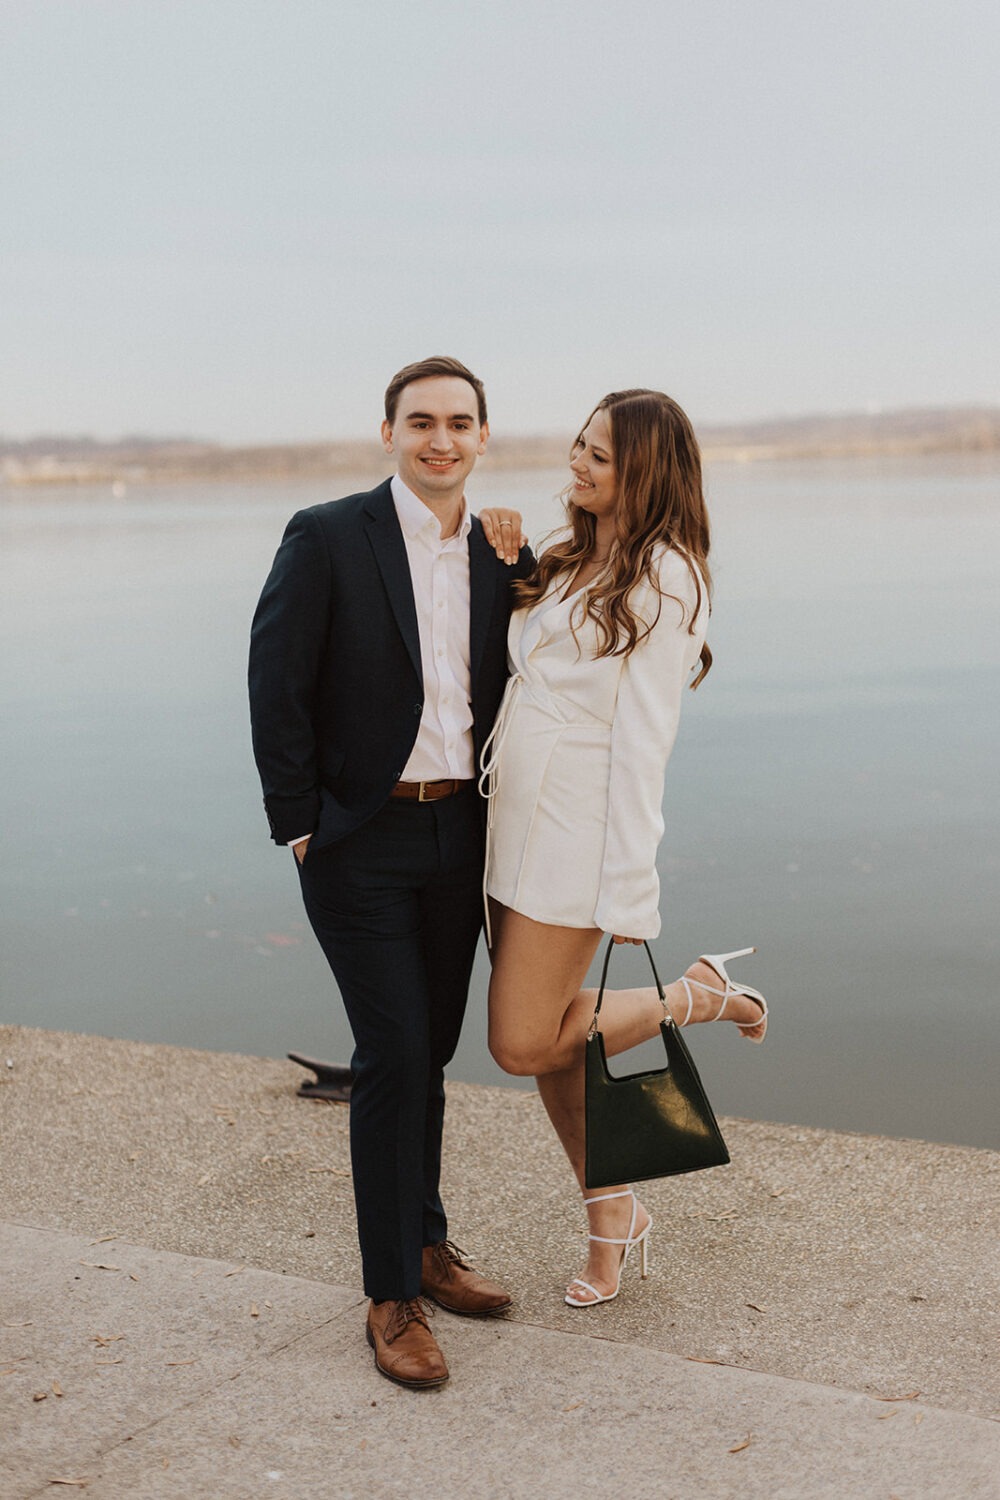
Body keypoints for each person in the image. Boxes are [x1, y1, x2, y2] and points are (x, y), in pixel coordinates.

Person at [249, 356, 532, 1388]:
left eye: (460, 423)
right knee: (394, 1047)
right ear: (388, 433)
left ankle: (424, 1242)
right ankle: (389, 1295)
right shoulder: (326, 536)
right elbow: (275, 681)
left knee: (432, 1048)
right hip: (359, 840)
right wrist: (300, 826)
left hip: (462, 837)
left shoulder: (506, 552)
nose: (441, 439)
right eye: (421, 421)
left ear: (484, 437)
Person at [480, 388, 769, 1308]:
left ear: (645, 468)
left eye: (600, 456)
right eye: (579, 445)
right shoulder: (573, 556)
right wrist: (508, 559)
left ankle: (697, 993)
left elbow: (646, 743)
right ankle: (613, 1224)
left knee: (525, 1043)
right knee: (563, 1050)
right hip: (507, 824)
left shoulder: (668, 577)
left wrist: (628, 889)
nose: (578, 463)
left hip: (573, 837)